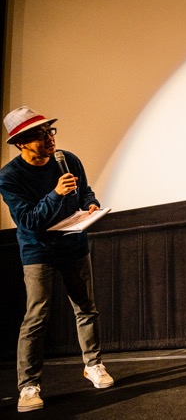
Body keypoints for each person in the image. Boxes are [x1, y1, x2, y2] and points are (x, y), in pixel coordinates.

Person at [0, 106, 114, 413]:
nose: (49, 138)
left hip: (74, 244)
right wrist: (56, 193)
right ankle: (28, 385)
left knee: (86, 307)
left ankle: (93, 365)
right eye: (39, 135)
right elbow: (29, 221)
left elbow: (85, 192)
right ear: (21, 143)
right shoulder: (9, 177)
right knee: (36, 316)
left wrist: (91, 204)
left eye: (49, 131)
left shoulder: (67, 159)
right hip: (39, 250)